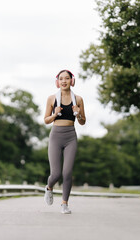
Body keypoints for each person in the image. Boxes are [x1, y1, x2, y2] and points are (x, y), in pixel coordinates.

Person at [43, 69, 86, 214]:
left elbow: (82, 122)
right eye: (61, 79)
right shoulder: (51, 99)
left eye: (67, 78)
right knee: (55, 174)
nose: (64, 81)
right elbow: (46, 120)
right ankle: (49, 188)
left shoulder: (78, 99)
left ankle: (64, 204)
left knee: (67, 173)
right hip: (56, 136)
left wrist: (79, 113)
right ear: (57, 82)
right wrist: (55, 114)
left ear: (72, 81)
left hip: (70, 137)